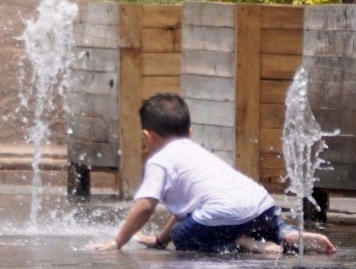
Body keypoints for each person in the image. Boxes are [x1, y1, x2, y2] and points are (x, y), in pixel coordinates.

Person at [92, 93, 337, 255]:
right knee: (264, 225)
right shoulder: (197, 153)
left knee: (184, 236)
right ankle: (288, 233)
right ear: (189, 131)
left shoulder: (160, 161)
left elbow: (145, 205)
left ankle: (246, 244)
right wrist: (159, 240)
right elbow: (184, 211)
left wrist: (119, 241)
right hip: (260, 203)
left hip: (226, 215)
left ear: (147, 136)